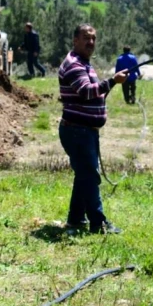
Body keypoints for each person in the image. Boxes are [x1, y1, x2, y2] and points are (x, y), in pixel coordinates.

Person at [58, 24, 128, 235]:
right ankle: (99, 223)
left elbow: (94, 94)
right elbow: (86, 92)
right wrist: (112, 81)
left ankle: (76, 219)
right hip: (77, 131)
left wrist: (111, 84)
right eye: (86, 38)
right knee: (89, 176)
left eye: (93, 38)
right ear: (75, 40)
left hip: (84, 130)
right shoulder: (74, 65)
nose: (91, 42)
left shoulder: (85, 64)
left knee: (84, 175)